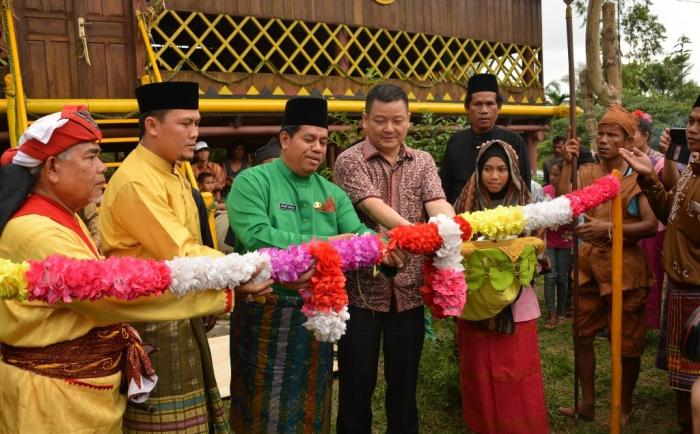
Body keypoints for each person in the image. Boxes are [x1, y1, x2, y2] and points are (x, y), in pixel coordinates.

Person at [0, 107, 267, 433]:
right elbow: (108, 294)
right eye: (92, 157)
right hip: (52, 398)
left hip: (79, 392)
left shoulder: (63, 216)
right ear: (52, 167)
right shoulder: (35, 230)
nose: (102, 168)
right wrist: (226, 284)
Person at [99, 82, 271, 433]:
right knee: (166, 425)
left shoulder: (173, 169)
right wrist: (241, 270)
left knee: (193, 419)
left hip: (181, 305)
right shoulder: (137, 181)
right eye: (186, 123)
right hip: (152, 316)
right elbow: (180, 250)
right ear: (152, 125)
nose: (195, 133)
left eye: (197, 123)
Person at [227, 96, 405, 433]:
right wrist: (325, 245)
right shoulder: (253, 182)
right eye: (309, 139)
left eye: (323, 141)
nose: (318, 148)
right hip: (266, 310)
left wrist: (386, 249)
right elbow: (257, 236)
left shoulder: (331, 192)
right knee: (262, 402)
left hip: (319, 311)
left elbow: (357, 233)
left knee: (314, 400)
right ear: (284, 139)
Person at [333, 83, 455, 433]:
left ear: (408, 121)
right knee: (357, 385)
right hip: (361, 293)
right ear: (364, 121)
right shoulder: (349, 160)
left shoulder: (423, 162)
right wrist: (419, 234)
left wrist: (448, 227)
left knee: (404, 386)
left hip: (409, 293)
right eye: (381, 120)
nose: (389, 128)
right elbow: (373, 206)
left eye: (397, 120)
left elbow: (437, 202)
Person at [558, 104, 658, 425]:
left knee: (627, 343)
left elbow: (649, 224)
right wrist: (567, 162)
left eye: (611, 134)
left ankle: (623, 405)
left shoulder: (637, 176)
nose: (602, 140)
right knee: (582, 335)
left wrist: (610, 230)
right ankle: (587, 404)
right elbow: (565, 204)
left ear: (627, 140)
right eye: (599, 133)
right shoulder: (586, 172)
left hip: (625, 269)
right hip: (587, 265)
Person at [452, 140, 548, 434]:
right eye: (488, 169)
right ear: (478, 172)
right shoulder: (462, 208)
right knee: (479, 374)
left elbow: (538, 251)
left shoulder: (527, 209)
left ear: (513, 172)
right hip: (474, 305)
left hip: (516, 305)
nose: (494, 176)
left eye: (502, 169)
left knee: (517, 374)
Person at [620, 94, 700, 433]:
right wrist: (649, 179)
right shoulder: (691, 170)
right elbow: (671, 213)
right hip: (682, 287)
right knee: (685, 387)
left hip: (697, 291)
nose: (692, 129)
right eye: (692, 121)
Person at [440, 73, 531, 203]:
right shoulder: (455, 142)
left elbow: (524, 189)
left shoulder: (514, 141)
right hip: (461, 219)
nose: (484, 110)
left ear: (499, 107)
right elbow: (445, 189)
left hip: (502, 220)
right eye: (477, 104)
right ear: (467, 107)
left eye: (490, 104)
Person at [542, 157, 574, 328]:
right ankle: (551, 313)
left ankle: (561, 310)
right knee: (550, 277)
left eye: (557, 175)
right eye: (551, 174)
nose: (553, 178)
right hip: (549, 242)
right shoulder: (545, 191)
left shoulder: (573, 193)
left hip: (566, 243)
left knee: (562, 278)